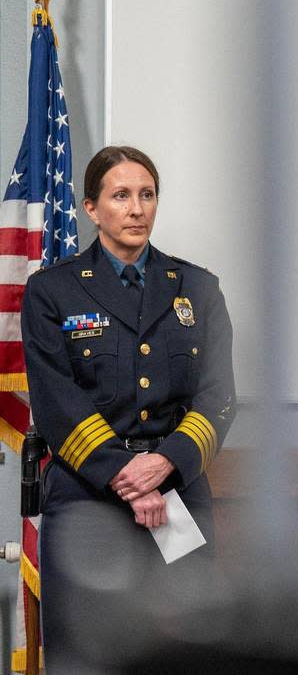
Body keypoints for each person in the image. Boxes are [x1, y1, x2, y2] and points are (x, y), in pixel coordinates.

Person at [21, 145, 236, 667]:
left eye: (147, 194)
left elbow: (219, 395)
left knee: (188, 648)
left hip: (178, 491)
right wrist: (126, 474)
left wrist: (163, 467)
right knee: (85, 654)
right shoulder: (52, 291)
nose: (137, 208)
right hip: (85, 497)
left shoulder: (199, 288)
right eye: (121, 196)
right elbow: (55, 400)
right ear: (92, 208)